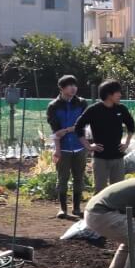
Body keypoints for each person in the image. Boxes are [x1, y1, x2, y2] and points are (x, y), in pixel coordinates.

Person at [75, 79, 135, 194]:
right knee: (100, 190)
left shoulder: (121, 109)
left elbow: (131, 126)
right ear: (108, 94)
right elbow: (78, 126)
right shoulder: (94, 109)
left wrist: (127, 143)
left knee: (118, 190)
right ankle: (98, 211)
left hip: (118, 156)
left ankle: (116, 211)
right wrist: (88, 146)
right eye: (117, 92)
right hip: (100, 157)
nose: (120, 95)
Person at [46, 75, 88, 220]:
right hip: (63, 147)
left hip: (80, 147)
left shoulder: (82, 103)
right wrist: (57, 149)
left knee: (79, 177)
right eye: (69, 85)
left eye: (75, 85)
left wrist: (68, 130)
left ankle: (77, 207)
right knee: (62, 178)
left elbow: (83, 125)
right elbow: (56, 132)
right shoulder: (53, 106)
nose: (73, 88)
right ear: (62, 88)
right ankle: (62, 208)